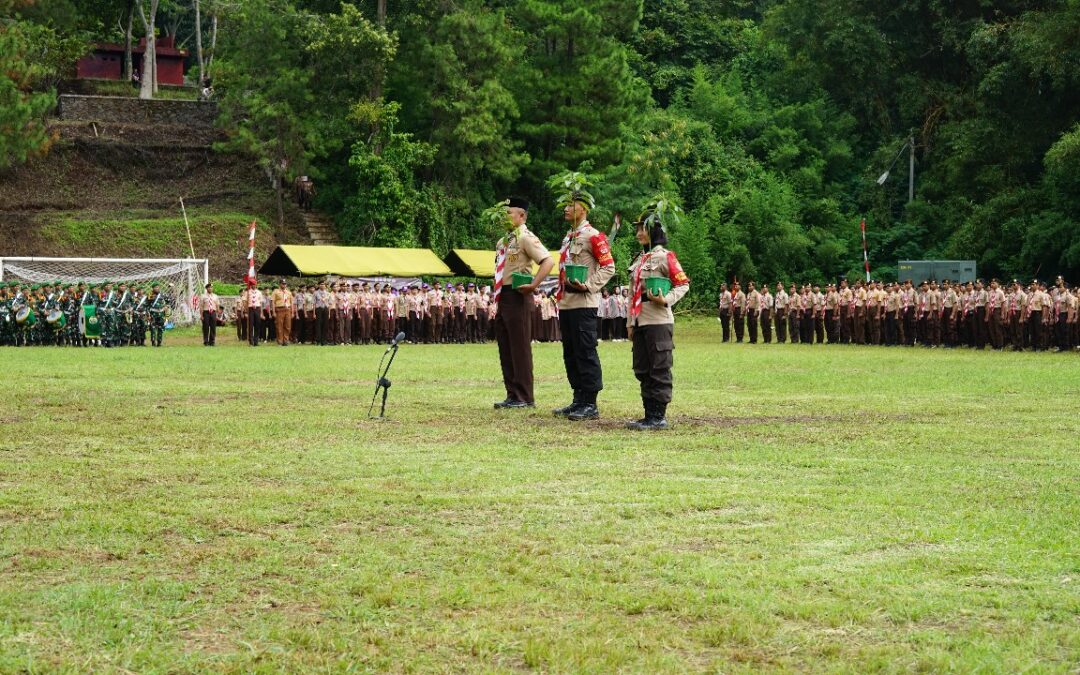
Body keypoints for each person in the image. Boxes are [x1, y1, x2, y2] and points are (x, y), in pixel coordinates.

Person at [553, 191, 615, 421]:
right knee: (570, 352)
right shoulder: (568, 237)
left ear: (584, 209)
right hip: (567, 302)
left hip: (584, 302)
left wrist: (589, 285)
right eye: (566, 205)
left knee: (585, 350)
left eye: (571, 205)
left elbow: (609, 267)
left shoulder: (594, 236)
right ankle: (578, 397)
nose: (566, 209)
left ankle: (590, 402)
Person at [625, 211, 690, 430]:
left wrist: (666, 300)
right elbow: (633, 294)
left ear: (654, 231)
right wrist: (630, 322)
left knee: (659, 368)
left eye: (643, 229)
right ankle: (648, 414)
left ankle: (658, 416)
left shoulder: (665, 256)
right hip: (640, 320)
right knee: (642, 368)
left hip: (658, 319)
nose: (638, 233)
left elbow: (682, 284)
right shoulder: (639, 259)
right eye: (638, 229)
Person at [493, 197, 554, 409]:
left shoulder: (526, 238)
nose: (506, 217)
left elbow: (547, 261)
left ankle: (525, 397)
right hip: (504, 296)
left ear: (522, 216)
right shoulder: (504, 241)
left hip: (519, 294)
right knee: (506, 347)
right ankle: (512, 394)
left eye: (510, 213)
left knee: (519, 348)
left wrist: (534, 285)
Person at [271, 279, 293, 346]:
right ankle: (280, 341)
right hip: (279, 309)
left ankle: (286, 340)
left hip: (287, 309)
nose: (284, 285)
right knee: (279, 326)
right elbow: (273, 302)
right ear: (280, 284)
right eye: (283, 283)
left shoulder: (289, 292)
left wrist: (292, 312)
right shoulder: (276, 291)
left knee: (287, 326)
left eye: (285, 283)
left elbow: (291, 303)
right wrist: (274, 312)